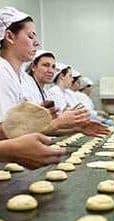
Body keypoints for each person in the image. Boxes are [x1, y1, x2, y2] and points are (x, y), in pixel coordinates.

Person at [0, 7, 65, 168]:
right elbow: (3, 132)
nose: (37, 42)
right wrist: (45, 122)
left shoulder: (20, 76)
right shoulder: (2, 72)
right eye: (30, 36)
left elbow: (11, 124)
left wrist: (37, 116)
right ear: (9, 36)